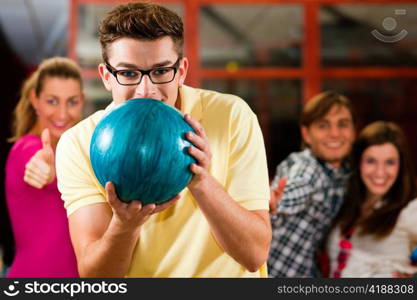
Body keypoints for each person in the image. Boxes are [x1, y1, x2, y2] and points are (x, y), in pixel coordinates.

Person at [55, 2, 271, 278]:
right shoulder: (79, 143)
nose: (146, 90)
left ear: (180, 71)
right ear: (106, 77)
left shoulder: (232, 116)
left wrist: (203, 182)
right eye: (129, 73)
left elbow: (254, 255)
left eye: (160, 71)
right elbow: (97, 278)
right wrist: (125, 225)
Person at [5, 57, 85, 277]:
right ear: (35, 100)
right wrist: (46, 170)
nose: (62, 113)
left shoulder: (80, 154)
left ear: (83, 102)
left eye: (72, 101)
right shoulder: (25, 149)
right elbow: (37, 161)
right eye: (52, 101)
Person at [268, 91, 356, 277]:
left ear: (353, 131)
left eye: (342, 124)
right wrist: (276, 199)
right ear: (307, 134)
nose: (334, 133)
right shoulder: (306, 166)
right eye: (323, 126)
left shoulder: (345, 174)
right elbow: (299, 186)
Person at [325, 121, 417, 277]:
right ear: (358, 162)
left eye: (389, 162)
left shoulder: (410, 209)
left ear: (401, 166)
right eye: (371, 161)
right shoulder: (348, 203)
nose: (380, 172)